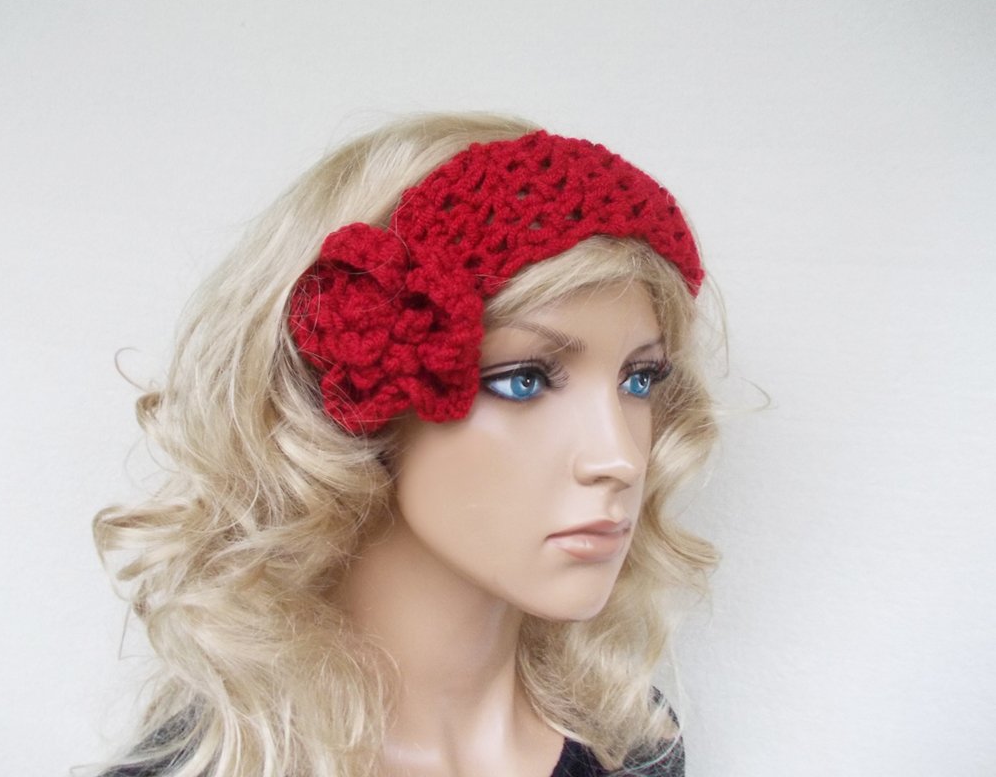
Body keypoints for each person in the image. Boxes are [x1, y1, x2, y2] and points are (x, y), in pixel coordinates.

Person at [93, 113, 718, 777]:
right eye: (525, 380)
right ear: (343, 400)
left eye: (639, 378)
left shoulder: (633, 747)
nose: (620, 458)